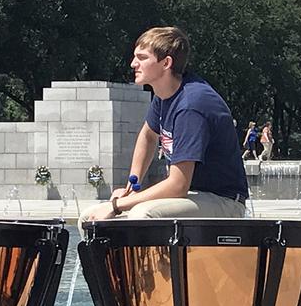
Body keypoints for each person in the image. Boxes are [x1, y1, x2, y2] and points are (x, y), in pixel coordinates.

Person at [80, 26, 248, 225]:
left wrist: (118, 205)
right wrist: (131, 186)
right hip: (192, 197)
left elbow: (178, 185)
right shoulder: (165, 95)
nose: (133, 63)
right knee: (89, 217)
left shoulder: (190, 106)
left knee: (143, 214)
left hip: (224, 202)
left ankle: (154, 258)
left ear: (166, 63)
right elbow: (148, 136)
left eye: (142, 58)